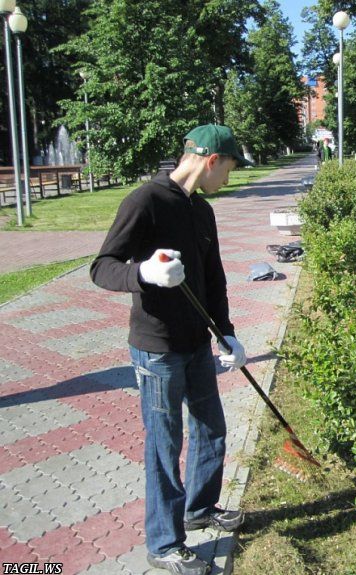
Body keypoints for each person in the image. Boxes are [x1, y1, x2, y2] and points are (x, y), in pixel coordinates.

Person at [91, 124, 252, 575]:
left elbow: (213, 279)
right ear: (212, 161)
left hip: (197, 344)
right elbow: (102, 268)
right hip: (157, 350)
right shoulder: (145, 201)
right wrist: (142, 273)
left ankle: (199, 508)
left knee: (211, 429)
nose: (229, 180)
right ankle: (164, 544)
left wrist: (227, 332)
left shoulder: (202, 211)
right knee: (165, 445)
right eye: (231, 169)